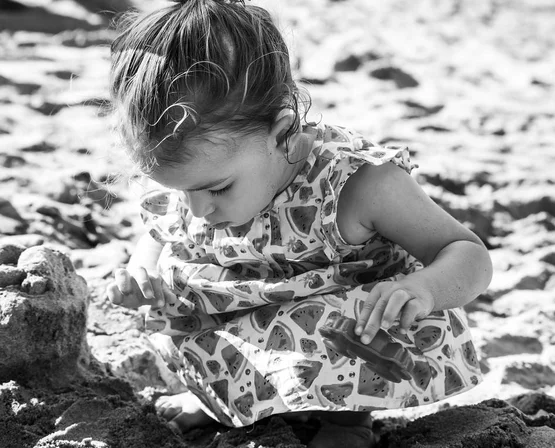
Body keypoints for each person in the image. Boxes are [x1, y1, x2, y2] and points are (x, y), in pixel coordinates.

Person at [106, 1, 493, 447]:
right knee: (175, 290)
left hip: (339, 333)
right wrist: (141, 271)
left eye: (216, 189)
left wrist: (423, 289)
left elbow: (469, 256)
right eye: (179, 191)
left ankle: (346, 421)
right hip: (242, 309)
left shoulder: (358, 184)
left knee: (363, 318)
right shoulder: (202, 177)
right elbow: (163, 236)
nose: (197, 210)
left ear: (282, 132)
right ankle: (219, 398)